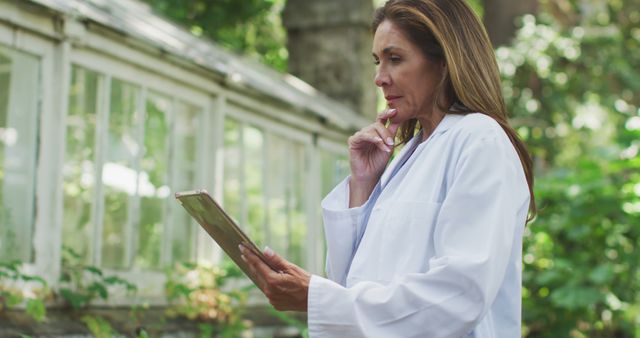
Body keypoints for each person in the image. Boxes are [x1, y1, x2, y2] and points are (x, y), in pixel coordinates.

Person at [239, 0, 536, 336]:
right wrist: (364, 184)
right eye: (377, 61)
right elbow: (354, 281)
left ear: (443, 61)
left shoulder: (479, 140)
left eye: (395, 59)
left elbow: (459, 295)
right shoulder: (408, 155)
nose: (380, 78)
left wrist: (317, 298)